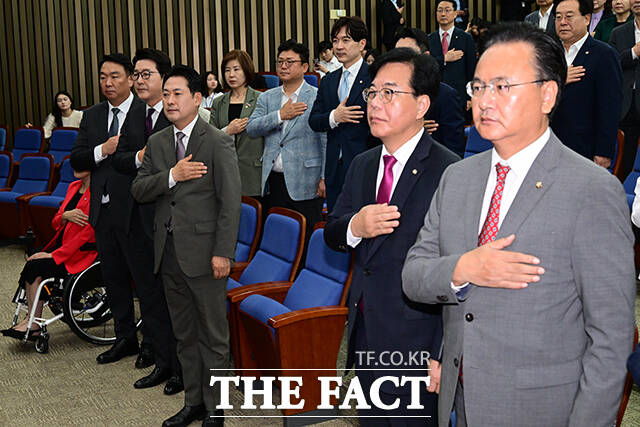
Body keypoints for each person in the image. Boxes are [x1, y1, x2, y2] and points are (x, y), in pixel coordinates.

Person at [402, 23, 635, 427]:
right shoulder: (458, 177)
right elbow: (413, 276)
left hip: (541, 408)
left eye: (502, 86)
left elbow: (611, 337)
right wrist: (464, 268)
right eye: (478, 87)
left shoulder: (591, 190)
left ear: (547, 94)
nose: (484, 101)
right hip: (461, 400)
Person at [324, 47, 459, 425]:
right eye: (372, 93)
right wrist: (356, 226)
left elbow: (456, 273)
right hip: (366, 330)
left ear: (421, 105)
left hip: (418, 341)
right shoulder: (363, 164)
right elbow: (332, 233)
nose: (375, 103)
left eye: (389, 93)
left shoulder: (449, 172)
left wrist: (442, 353)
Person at [131, 65, 241, 427]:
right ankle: (194, 401)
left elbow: (230, 203)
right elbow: (139, 189)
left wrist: (223, 252)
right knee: (185, 334)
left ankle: (216, 408)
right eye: (166, 94)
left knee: (213, 336)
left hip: (207, 256)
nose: (170, 100)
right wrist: (171, 176)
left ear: (197, 98)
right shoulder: (159, 142)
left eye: (177, 93)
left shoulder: (217, 141)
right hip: (169, 253)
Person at [109, 48, 182, 394]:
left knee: (173, 299)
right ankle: (162, 362)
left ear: (163, 78)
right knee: (150, 297)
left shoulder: (176, 113)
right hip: (138, 219)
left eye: (145, 74)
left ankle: (181, 369)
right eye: (136, 74)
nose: (138, 80)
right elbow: (120, 159)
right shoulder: (136, 113)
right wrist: (140, 157)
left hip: (170, 221)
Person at [70, 53, 145, 365]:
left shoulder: (145, 111)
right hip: (102, 212)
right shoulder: (93, 115)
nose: (108, 82)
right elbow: (77, 159)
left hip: (136, 211)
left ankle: (152, 344)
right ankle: (124, 338)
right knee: (113, 279)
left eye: (115, 76)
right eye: (103, 77)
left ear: (130, 79)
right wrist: (102, 150)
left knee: (143, 280)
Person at [1, 167, 96, 339]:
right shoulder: (74, 186)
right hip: (62, 245)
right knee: (33, 261)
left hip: (79, 252)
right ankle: (31, 319)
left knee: (36, 267)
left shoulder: (98, 192)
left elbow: (88, 233)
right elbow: (55, 222)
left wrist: (55, 255)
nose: (75, 167)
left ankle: (33, 323)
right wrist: (65, 215)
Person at [247, 40, 326, 240]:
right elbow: (252, 128)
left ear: (304, 67)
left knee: (307, 238)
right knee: (279, 238)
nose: (283, 66)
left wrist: (324, 177)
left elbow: (325, 140)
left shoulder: (317, 97)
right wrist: (280, 115)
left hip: (307, 180)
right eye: (280, 61)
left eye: (290, 62)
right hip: (274, 180)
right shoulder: (267, 97)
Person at [309, 16, 373, 212]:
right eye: (335, 41)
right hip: (334, 168)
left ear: (362, 44)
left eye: (346, 40)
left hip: (365, 165)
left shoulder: (375, 77)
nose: (339, 46)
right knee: (336, 221)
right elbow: (314, 120)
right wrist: (334, 117)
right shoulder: (329, 80)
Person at [551, 0, 623, 169]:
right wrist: (559, 79)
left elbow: (610, 107)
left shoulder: (604, 55)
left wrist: (604, 152)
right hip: (549, 144)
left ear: (587, 19)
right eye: (558, 17)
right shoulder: (549, 53)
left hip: (584, 149)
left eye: (569, 16)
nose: (563, 22)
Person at [395, 27, 466, 157]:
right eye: (396, 54)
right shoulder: (388, 93)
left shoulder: (446, 96)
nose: (400, 61)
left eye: (407, 54)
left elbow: (454, 152)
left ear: (425, 56)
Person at [210, 50, 264, 199]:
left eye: (236, 69)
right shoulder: (218, 102)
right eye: (227, 70)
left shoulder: (261, 99)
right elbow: (209, 137)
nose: (231, 75)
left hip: (253, 174)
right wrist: (228, 130)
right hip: (224, 172)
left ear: (246, 70)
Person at [428, 0, 477, 111]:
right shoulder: (429, 39)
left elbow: (471, 69)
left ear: (455, 14)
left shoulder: (466, 38)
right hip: (434, 96)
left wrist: (470, 96)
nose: (443, 14)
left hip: (459, 96)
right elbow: (426, 67)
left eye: (447, 10)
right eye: (440, 10)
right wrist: (444, 59)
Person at [610, 0, 640, 180]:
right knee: (625, 165)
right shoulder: (619, 33)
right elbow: (612, 64)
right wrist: (634, 52)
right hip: (627, 106)